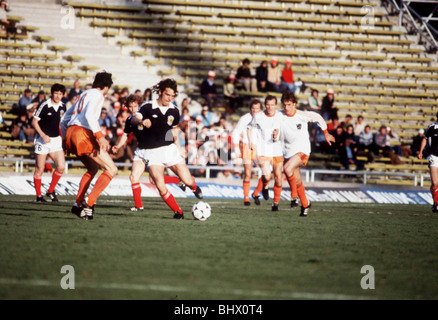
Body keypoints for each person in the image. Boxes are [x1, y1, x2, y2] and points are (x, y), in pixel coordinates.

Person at [130, 78, 203, 219]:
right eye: (167, 95)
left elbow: (173, 130)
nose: (170, 98)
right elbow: (134, 119)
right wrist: (141, 121)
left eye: (173, 95)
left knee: (187, 180)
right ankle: (178, 212)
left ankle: (193, 187)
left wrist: (179, 147)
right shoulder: (147, 107)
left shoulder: (175, 111)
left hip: (169, 149)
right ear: (160, 92)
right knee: (159, 183)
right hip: (152, 152)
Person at [112, 94, 186, 211]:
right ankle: (138, 205)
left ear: (140, 106)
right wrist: (118, 145)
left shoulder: (149, 114)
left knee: (154, 180)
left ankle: (179, 180)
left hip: (154, 152)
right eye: (130, 107)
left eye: (135, 106)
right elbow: (125, 135)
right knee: (133, 177)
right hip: (141, 151)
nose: (132, 109)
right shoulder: (130, 120)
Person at [61, 71, 118, 220]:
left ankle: (76, 206)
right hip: (83, 133)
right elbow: (89, 116)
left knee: (93, 168)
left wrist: (65, 138)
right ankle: (88, 201)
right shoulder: (98, 95)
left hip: (71, 133)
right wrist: (101, 137)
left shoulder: (83, 94)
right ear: (106, 87)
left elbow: (64, 119)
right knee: (111, 169)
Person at [279, 91, 335, 216]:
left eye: (289, 104)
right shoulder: (279, 115)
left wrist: (326, 133)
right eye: (284, 105)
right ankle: (305, 204)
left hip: (303, 150)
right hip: (289, 152)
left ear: (294, 104)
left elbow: (318, 118)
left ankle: (294, 197)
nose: (286, 108)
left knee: (287, 169)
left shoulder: (302, 115)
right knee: (297, 181)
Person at [247, 95, 284, 211]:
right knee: (267, 175)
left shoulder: (280, 116)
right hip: (263, 150)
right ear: (265, 105)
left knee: (278, 177)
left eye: (272, 105)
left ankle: (276, 203)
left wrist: (277, 136)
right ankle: (265, 186)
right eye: (268, 104)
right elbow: (249, 128)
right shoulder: (258, 116)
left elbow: (284, 130)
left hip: (277, 149)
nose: (270, 107)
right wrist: (251, 142)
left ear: (276, 105)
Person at [31, 83, 66, 203]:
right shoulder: (44, 105)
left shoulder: (63, 106)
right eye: (56, 93)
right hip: (42, 140)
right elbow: (34, 122)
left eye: (60, 94)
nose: (58, 96)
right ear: (52, 93)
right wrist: (43, 135)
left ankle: (50, 191)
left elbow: (62, 124)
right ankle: (39, 196)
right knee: (40, 168)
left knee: (61, 166)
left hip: (56, 140)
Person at [231, 99, 262, 206]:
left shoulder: (263, 118)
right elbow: (236, 132)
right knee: (248, 173)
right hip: (247, 147)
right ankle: (246, 197)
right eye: (253, 108)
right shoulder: (245, 118)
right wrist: (236, 148)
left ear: (260, 109)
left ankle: (256, 192)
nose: (255, 110)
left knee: (267, 173)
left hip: (260, 147)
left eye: (257, 108)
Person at [418, 113, 438, 212]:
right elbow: (425, 139)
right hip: (433, 156)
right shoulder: (432, 127)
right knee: (434, 182)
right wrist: (421, 152)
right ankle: (436, 202)